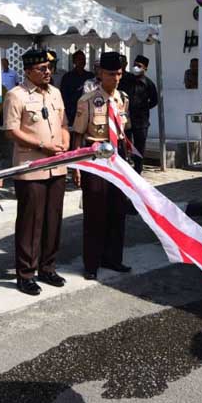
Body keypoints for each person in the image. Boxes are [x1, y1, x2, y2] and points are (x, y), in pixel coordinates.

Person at [3, 49, 70, 296]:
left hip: (57, 165)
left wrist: (65, 142)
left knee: (53, 220)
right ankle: (26, 273)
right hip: (31, 168)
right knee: (31, 222)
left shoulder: (56, 93)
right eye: (42, 69)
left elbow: (64, 123)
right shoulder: (16, 95)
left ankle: (48, 267)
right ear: (29, 71)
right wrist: (42, 145)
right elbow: (11, 131)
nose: (47, 72)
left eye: (49, 68)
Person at [73, 52, 133, 280]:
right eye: (111, 74)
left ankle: (113, 258)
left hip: (117, 162)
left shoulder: (122, 99)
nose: (116, 78)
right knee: (95, 213)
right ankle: (91, 264)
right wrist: (77, 168)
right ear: (100, 74)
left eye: (119, 73)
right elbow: (77, 136)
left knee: (118, 212)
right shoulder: (87, 100)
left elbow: (124, 132)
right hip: (95, 163)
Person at [118, 55, 159, 173]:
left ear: (145, 68)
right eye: (134, 65)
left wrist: (143, 108)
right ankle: (124, 170)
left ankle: (138, 171)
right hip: (126, 119)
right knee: (124, 145)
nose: (135, 67)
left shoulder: (148, 83)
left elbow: (154, 100)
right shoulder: (126, 80)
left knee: (139, 147)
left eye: (139, 66)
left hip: (141, 121)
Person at [60, 50, 94, 128]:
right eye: (79, 59)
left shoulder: (90, 76)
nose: (82, 61)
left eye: (83, 59)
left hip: (87, 111)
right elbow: (63, 96)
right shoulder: (67, 77)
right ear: (74, 61)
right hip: (72, 112)